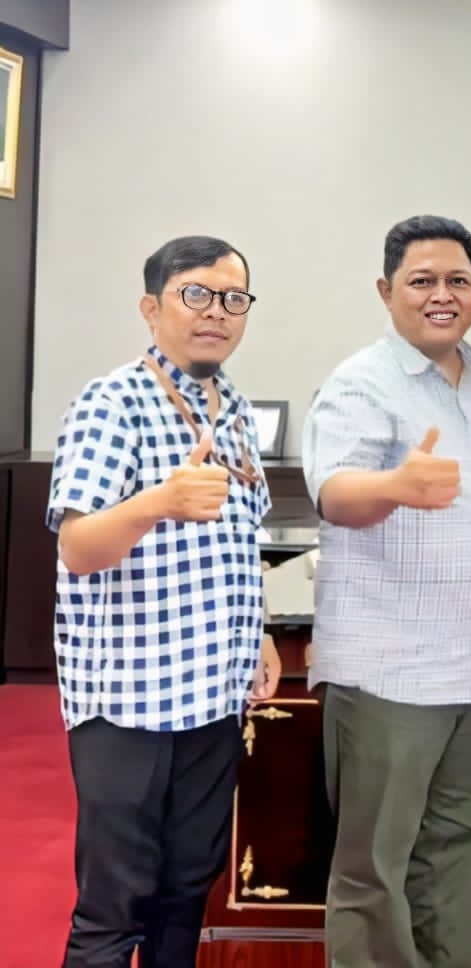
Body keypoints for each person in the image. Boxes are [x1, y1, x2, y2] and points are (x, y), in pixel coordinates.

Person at [302, 214, 471, 967]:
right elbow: (335, 494)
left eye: (457, 280)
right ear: (387, 292)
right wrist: (395, 486)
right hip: (392, 669)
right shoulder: (360, 384)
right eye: (422, 281)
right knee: (375, 867)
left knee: (459, 849)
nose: (441, 295)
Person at [47, 235, 280, 967]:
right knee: (114, 907)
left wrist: (260, 633)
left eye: (233, 298)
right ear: (151, 309)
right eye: (195, 294)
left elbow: (244, 537)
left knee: (186, 893)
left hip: (213, 693)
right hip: (129, 700)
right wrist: (160, 501)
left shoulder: (233, 408)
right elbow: (78, 547)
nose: (217, 312)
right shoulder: (111, 402)